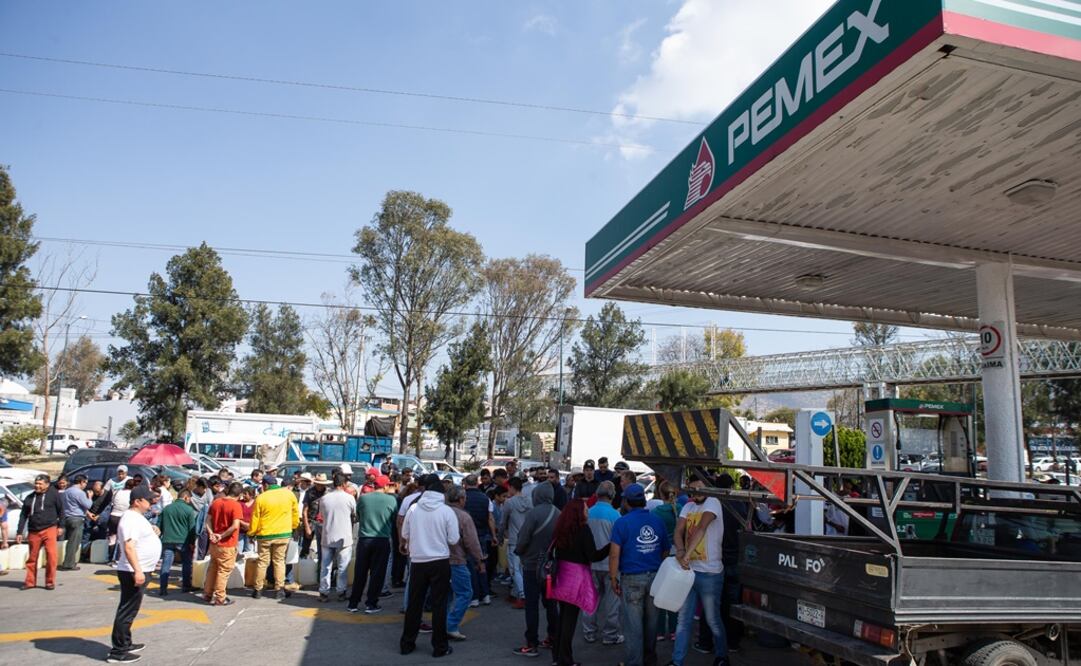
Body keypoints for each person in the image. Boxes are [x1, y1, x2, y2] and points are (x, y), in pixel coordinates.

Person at [400, 474, 459, 658]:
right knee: (439, 605)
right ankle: (440, 647)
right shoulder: (446, 511)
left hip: (418, 561)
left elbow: (405, 533)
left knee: (414, 605)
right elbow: (454, 539)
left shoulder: (414, 508)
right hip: (440, 561)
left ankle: (407, 644)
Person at [609, 483, 669, 666]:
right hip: (655, 576)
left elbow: (614, 554)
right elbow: (665, 551)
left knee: (633, 625)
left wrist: (613, 578)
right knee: (652, 623)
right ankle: (650, 659)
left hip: (632, 578)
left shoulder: (622, 522)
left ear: (627, 502)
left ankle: (635, 662)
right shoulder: (657, 521)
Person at [671, 478, 728, 666]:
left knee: (712, 619)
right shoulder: (687, 507)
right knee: (683, 621)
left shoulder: (713, 502)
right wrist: (680, 552)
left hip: (710, 573)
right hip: (689, 572)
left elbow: (702, 528)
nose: (696, 492)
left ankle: (722, 657)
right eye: (693, 489)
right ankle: (676, 661)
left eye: (699, 488)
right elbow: (678, 531)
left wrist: (686, 555)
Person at [550, 498, 609, 666]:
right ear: (578, 512)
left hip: (560, 575)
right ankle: (565, 660)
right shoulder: (583, 530)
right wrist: (611, 545)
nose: (587, 511)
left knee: (563, 618)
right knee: (570, 620)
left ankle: (557, 656)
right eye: (585, 509)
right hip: (576, 579)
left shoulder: (561, 529)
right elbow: (593, 556)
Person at [108, 484, 161, 663]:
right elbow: (129, 546)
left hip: (140, 568)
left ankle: (126, 642)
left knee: (131, 609)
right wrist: (138, 571)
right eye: (148, 499)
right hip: (132, 570)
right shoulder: (130, 518)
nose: (152, 502)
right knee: (127, 610)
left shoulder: (137, 517)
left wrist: (154, 531)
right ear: (137, 501)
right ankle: (119, 651)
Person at [512, 481, 560, 657]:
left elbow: (523, 538)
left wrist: (519, 552)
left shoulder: (534, 514)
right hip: (551, 567)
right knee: (551, 605)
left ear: (537, 495)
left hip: (532, 566)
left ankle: (531, 643)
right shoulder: (558, 513)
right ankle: (553, 637)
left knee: (532, 605)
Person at [349, 474, 397, 613]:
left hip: (364, 539)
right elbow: (395, 519)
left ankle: (353, 603)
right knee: (377, 573)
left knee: (360, 572)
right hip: (382, 539)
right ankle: (371, 603)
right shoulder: (391, 500)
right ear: (386, 486)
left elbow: (358, 516)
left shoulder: (363, 498)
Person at [582, 480, 622, 645]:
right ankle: (610, 634)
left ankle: (589, 632)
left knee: (590, 599)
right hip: (611, 566)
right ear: (612, 495)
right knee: (612, 602)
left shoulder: (588, 513)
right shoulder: (616, 516)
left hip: (590, 564)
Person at [249, 474, 300, 600]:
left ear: (265, 485)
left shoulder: (261, 497)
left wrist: (251, 533)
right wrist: (293, 526)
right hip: (283, 534)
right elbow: (295, 514)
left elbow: (255, 517)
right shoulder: (289, 495)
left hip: (264, 535)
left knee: (262, 562)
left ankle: (258, 590)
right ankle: (279, 590)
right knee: (279, 561)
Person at [444, 485, 484, 641]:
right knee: (465, 593)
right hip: (457, 559)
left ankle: (442, 622)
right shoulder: (463, 517)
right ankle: (451, 625)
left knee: (445, 595)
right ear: (461, 499)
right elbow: (472, 542)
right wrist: (479, 560)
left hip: (439, 559)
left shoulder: (441, 513)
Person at [16, 474, 64, 590]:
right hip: (34, 531)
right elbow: (23, 515)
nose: (37, 486)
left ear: (47, 485)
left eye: (40, 484)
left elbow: (61, 511)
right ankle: (30, 582)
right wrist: (19, 532)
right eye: (36, 484)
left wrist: (61, 526)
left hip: (50, 528)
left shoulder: (54, 495)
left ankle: (50, 582)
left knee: (51, 556)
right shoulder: (29, 498)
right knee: (32, 558)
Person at [650, 480, 683, 642]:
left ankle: (660, 631)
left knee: (660, 593)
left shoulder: (655, 512)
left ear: (660, 494)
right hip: (678, 555)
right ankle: (675, 630)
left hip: (661, 556)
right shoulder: (682, 510)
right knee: (674, 594)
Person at [204, 481, 243, 606]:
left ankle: (207, 593)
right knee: (223, 571)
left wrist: (211, 533)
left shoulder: (216, 502)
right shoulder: (235, 505)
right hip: (227, 543)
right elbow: (235, 526)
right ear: (240, 494)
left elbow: (207, 521)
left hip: (214, 543)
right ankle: (220, 597)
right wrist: (221, 535)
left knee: (213, 568)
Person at [319, 472, 356, 602]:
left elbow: (322, 515)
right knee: (343, 567)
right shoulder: (349, 498)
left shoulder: (324, 498)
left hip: (328, 535)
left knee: (325, 566)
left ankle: (324, 592)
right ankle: (341, 592)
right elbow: (354, 514)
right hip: (344, 537)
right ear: (344, 484)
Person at [462, 474, 496, 606]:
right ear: (477, 483)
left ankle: (474, 597)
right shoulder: (485, 498)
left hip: (467, 536)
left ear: (465, 484)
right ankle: (485, 594)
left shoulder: (462, 498)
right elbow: (490, 518)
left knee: (470, 567)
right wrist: (493, 536)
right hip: (482, 535)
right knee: (482, 565)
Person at [158, 489, 196, 595]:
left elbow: (159, 526)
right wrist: (192, 543)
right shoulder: (189, 510)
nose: (190, 501)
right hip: (183, 541)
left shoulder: (167, 509)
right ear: (186, 497)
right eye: (189, 499)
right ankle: (186, 586)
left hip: (167, 540)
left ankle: (163, 588)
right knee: (186, 564)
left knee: (166, 564)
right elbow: (191, 529)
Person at [501, 476, 531, 607]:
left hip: (514, 539)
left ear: (512, 488)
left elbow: (503, 522)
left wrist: (500, 535)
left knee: (514, 569)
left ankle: (523, 595)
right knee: (523, 568)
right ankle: (516, 593)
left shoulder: (509, 502)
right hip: (528, 540)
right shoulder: (530, 501)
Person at [60, 474, 93, 570]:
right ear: (82, 482)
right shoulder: (79, 493)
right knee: (74, 542)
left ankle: (67, 561)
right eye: (85, 483)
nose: (86, 485)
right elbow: (88, 505)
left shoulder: (67, 491)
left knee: (70, 541)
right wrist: (90, 497)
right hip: (77, 519)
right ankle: (69, 563)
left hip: (67, 518)